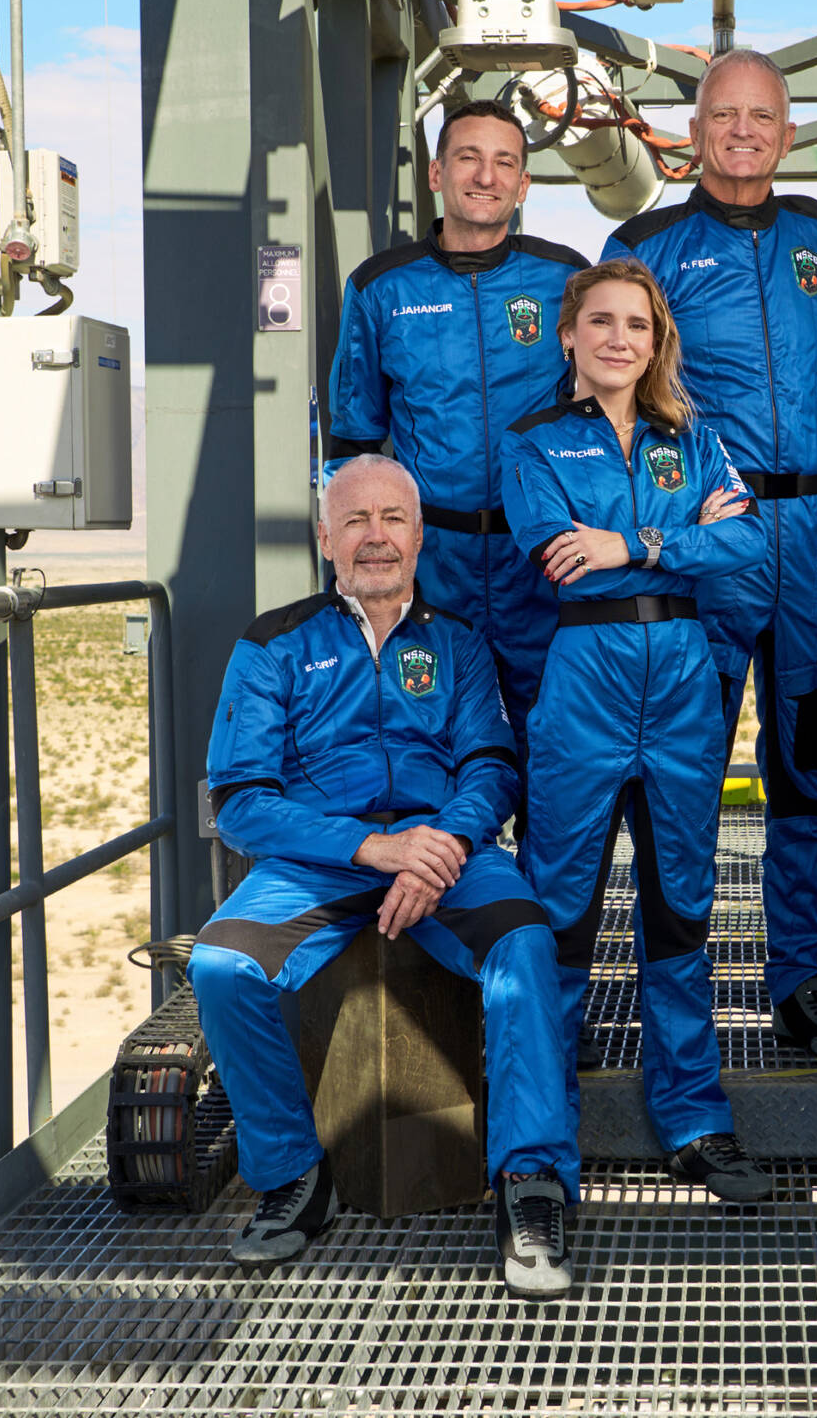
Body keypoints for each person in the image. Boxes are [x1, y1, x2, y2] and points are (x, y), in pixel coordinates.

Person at [187, 455, 580, 1300]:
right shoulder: (272, 643)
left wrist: (440, 842)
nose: (376, 537)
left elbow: (490, 765)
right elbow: (242, 800)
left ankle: (531, 1187)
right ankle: (294, 1175)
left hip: (445, 851)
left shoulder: (457, 641)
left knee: (525, 946)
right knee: (221, 967)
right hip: (321, 860)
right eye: (356, 521)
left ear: (419, 534)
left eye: (393, 519)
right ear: (325, 538)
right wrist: (368, 850)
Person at [603, 49, 817, 1064]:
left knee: (805, 769)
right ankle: (674, 988)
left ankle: (804, 978)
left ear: (787, 132)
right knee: (678, 773)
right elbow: (609, 376)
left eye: (760, 116)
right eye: (723, 116)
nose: (741, 132)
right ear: (692, 131)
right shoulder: (648, 244)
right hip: (707, 548)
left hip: (814, 541)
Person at [499, 256, 775, 1202]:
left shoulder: (694, 439)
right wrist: (677, 548)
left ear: (659, 343)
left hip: (685, 690)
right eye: (603, 321)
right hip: (583, 686)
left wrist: (637, 543)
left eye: (640, 326)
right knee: (562, 915)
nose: (621, 339)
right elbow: (558, 561)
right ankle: (541, 1133)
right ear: (568, 333)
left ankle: (694, 1116)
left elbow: (747, 543)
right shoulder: (532, 443)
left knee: (678, 909)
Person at [325, 99, 588, 772]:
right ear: (438, 173)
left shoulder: (566, 280)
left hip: (543, 560)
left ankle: (536, 884)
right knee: (427, 750)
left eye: (505, 162)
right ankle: (444, 879)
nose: (486, 176)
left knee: (552, 756)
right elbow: (354, 446)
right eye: (469, 157)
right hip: (433, 563)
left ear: (524, 184)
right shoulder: (382, 287)